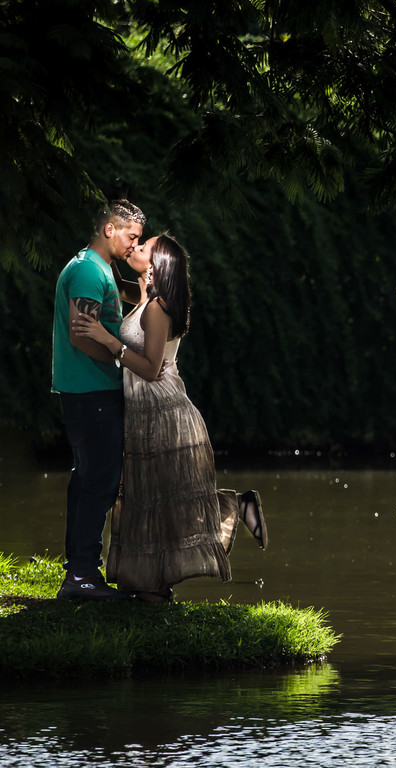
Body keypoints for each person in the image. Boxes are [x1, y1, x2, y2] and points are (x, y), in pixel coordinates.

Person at [72, 232, 267, 603]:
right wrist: (109, 249)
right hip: (143, 407)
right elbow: (114, 284)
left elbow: (148, 368)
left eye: (144, 247)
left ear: (158, 264)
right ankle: (152, 581)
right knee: (152, 494)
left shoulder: (159, 307)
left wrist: (105, 337)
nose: (137, 246)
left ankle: (227, 513)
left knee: (159, 495)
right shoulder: (144, 294)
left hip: (160, 409)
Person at [52, 200, 145, 601]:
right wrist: (123, 360)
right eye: (132, 237)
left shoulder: (100, 268)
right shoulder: (89, 270)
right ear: (110, 229)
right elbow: (80, 336)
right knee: (100, 481)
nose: (133, 245)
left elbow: (118, 299)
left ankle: (79, 568)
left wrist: (150, 282)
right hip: (91, 391)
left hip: (91, 390)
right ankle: (83, 576)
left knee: (88, 478)